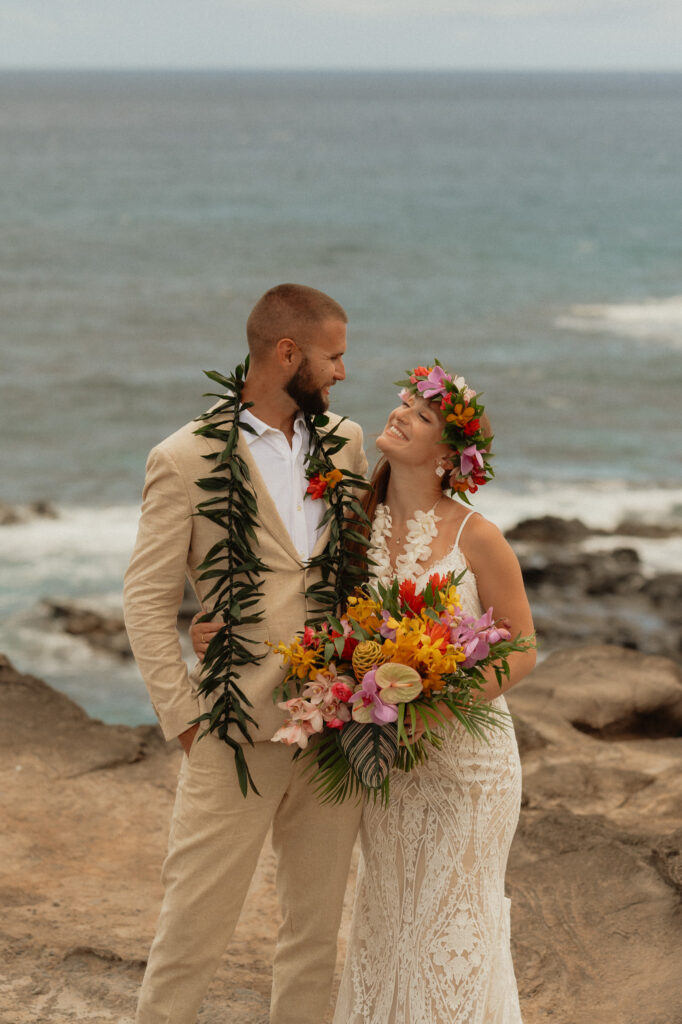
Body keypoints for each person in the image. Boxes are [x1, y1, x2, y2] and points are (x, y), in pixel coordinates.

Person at [192, 362, 536, 1024]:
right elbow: (293, 608)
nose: (400, 413)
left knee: (453, 922)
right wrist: (224, 631)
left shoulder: (478, 536)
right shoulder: (351, 524)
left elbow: (520, 645)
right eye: (402, 403)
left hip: (467, 767)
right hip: (383, 759)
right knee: (391, 921)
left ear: (446, 454)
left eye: (421, 414)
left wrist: (439, 704)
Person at [123, 283, 368, 1024]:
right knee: (192, 931)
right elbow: (145, 597)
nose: (343, 373)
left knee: (313, 934)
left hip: (333, 729)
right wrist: (186, 716)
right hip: (232, 733)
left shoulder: (348, 444)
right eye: (333, 356)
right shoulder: (185, 456)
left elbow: (363, 566)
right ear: (286, 353)